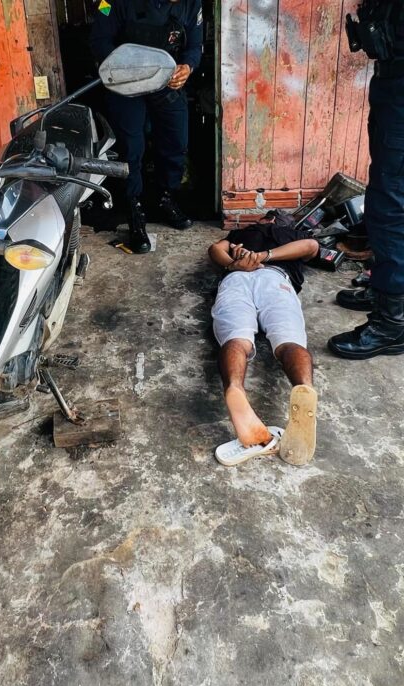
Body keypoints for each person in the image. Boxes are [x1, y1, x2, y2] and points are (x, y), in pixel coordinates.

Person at [207, 212, 320, 467]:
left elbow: (216, 249)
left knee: (236, 340)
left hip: (238, 280)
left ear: (270, 221)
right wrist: (245, 261)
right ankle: (304, 389)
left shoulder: (243, 236)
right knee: (289, 342)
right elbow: (311, 247)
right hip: (274, 279)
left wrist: (244, 261)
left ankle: (235, 387)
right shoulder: (288, 235)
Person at [90, 0, 203, 253]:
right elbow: (99, 41)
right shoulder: (112, 3)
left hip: (168, 84)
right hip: (125, 85)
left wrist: (188, 66)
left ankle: (165, 197)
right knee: (132, 148)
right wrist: (122, 70)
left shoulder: (192, 4)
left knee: (176, 143)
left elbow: (195, 45)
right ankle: (134, 209)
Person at [329, 1, 404, 358]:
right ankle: (384, 290)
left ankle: (393, 324)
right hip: (391, 76)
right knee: (382, 195)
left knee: (392, 204)